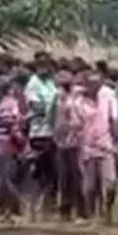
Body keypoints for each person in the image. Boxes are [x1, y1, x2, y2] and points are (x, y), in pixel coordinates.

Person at [79, 69, 118, 222]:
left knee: (111, 184)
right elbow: (76, 123)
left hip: (107, 144)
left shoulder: (108, 95)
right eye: (90, 83)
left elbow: (114, 118)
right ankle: (92, 216)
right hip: (87, 147)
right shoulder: (79, 100)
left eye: (97, 82)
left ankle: (107, 211)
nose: (93, 85)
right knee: (90, 187)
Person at [25, 53, 60, 214]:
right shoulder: (33, 83)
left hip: (53, 133)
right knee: (38, 174)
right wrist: (53, 110)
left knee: (52, 174)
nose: (46, 69)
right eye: (42, 66)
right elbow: (35, 106)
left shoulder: (51, 83)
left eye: (48, 65)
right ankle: (34, 207)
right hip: (39, 133)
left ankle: (47, 207)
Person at [52, 65, 86, 220]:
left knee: (77, 175)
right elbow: (53, 116)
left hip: (77, 140)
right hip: (61, 141)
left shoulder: (79, 94)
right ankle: (65, 210)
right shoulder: (58, 95)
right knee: (64, 176)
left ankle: (82, 210)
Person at [0, 75, 29, 218]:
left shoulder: (9, 104)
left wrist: (21, 143)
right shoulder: (5, 103)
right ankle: (10, 210)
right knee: (6, 179)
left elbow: (12, 125)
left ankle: (20, 208)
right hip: (2, 143)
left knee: (7, 179)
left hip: (8, 145)